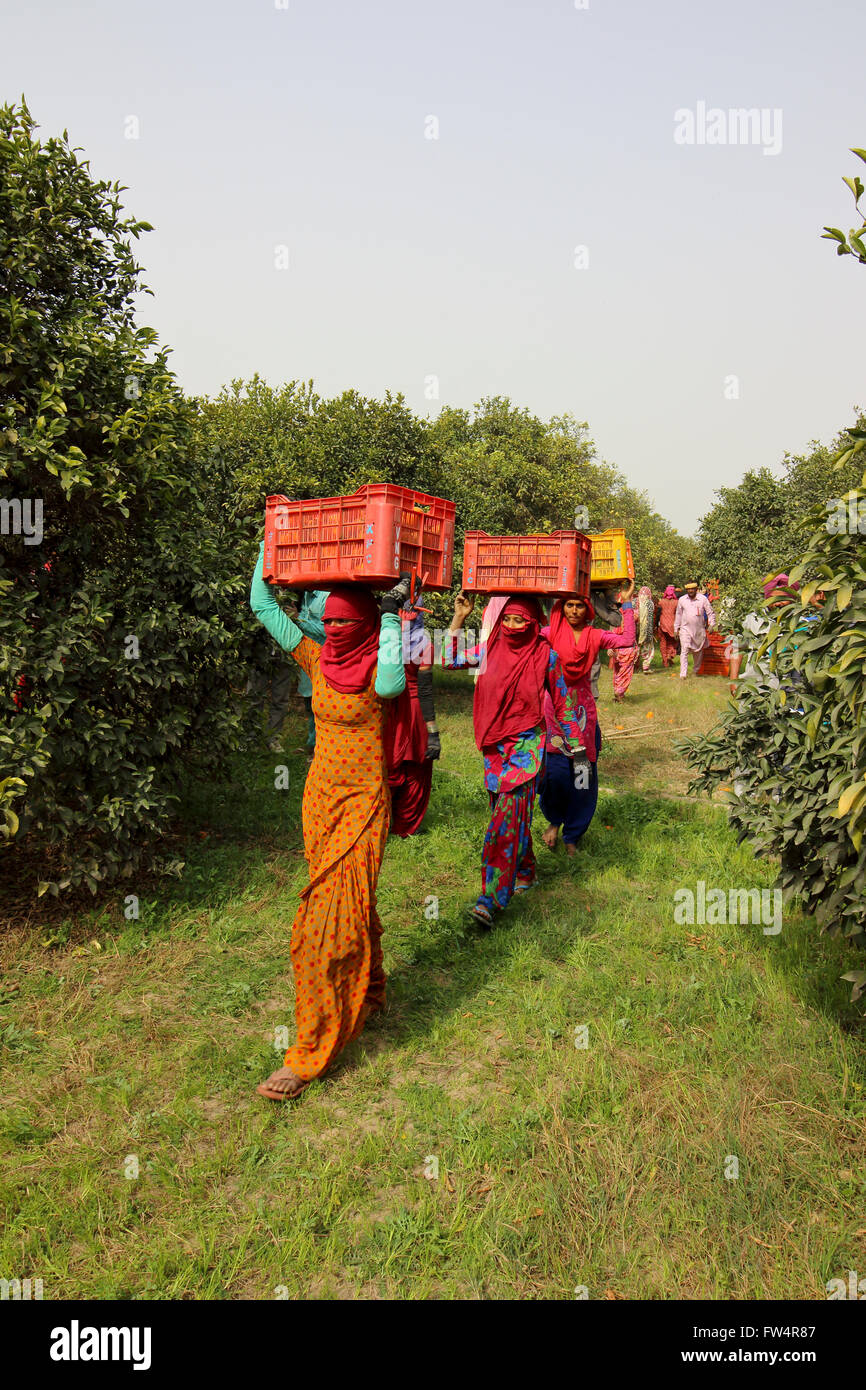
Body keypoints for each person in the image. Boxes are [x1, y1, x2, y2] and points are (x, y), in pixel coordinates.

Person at [249, 541, 409, 1101]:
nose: (336, 629)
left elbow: (390, 686)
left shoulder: (383, 662)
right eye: (329, 620)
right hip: (319, 800)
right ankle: (372, 992)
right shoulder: (315, 658)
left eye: (348, 621)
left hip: (365, 802)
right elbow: (263, 606)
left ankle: (308, 1052)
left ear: (365, 622)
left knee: (324, 926)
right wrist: (271, 540)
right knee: (350, 902)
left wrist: (390, 620)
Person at [441, 591, 586, 926]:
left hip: (526, 747)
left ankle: (490, 900)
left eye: (518, 620)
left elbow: (564, 705)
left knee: (504, 823)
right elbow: (449, 661)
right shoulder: (490, 650)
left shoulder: (545, 656)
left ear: (533, 623)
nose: (510, 625)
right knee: (509, 816)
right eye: (506, 619)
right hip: (493, 746)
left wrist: (578, 752)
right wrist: (459, 618)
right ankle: (527, 872)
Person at [539, 588, 636, 855]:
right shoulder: (549, 634)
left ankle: (573, 836)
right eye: (568, 605)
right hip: (555, 713)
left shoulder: (595, 635)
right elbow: (522, 635)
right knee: (556, 775)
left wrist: (626, 602)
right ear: (561, 607)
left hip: (582, 715)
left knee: (582, 777)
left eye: (579, 606)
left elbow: (627, 639)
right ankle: (554, 822)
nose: (573, 610)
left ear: (588, 610)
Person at [385, 602, 441, 836]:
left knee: (388, 763)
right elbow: (424, 689)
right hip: (415, 710)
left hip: (389, 707)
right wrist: (433, 732)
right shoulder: (424, 645)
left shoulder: (383, 640)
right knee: (415, 768)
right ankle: (405, 825)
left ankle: (380, 821)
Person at [293, 590, 328, 751]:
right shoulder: (306, 593)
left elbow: (326, 630)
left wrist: (298, 619)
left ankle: (321, 746)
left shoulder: (325, 595)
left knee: (321, 704)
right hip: (307, 656)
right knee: (310, 702)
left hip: (322, 657)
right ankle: (312, 742)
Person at [674, 580, 715, 679]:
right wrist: (676, 629)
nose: (690, 591)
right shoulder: (682, 600)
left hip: (699, 631)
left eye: (692, 589)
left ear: (696, 589)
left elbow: (710, 612)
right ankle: (683, 674)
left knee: (698, 652)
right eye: (688, 589)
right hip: (685, 630)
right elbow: (678, 614)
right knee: (684, 650)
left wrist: (712, 624)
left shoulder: (703, 599)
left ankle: (695, 671)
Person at [608, 580, 640, 700]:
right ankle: (619, 692)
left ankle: (618, 691)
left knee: (617, 672)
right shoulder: (633, 613)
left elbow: (611, 631)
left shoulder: (614, 615)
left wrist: (610, 647)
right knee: (625, 672)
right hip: (627, 647)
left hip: (616, 645)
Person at [655, 585, 679, 668]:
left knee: (663, 643)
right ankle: (670, 655)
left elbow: (657, 613)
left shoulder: (661, 602)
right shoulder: (676, 602)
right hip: (673, 625)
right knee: (673, 642)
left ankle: (665, 661)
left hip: (662, 625)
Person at [636, 584, 655, 673]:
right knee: (648, 650)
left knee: (635, 648)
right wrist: (651, 632)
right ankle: (646, 667)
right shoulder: (650, 603)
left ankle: (630, 667)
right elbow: (650, 619)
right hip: (646, 630)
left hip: (635, 630)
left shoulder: (634, 601)